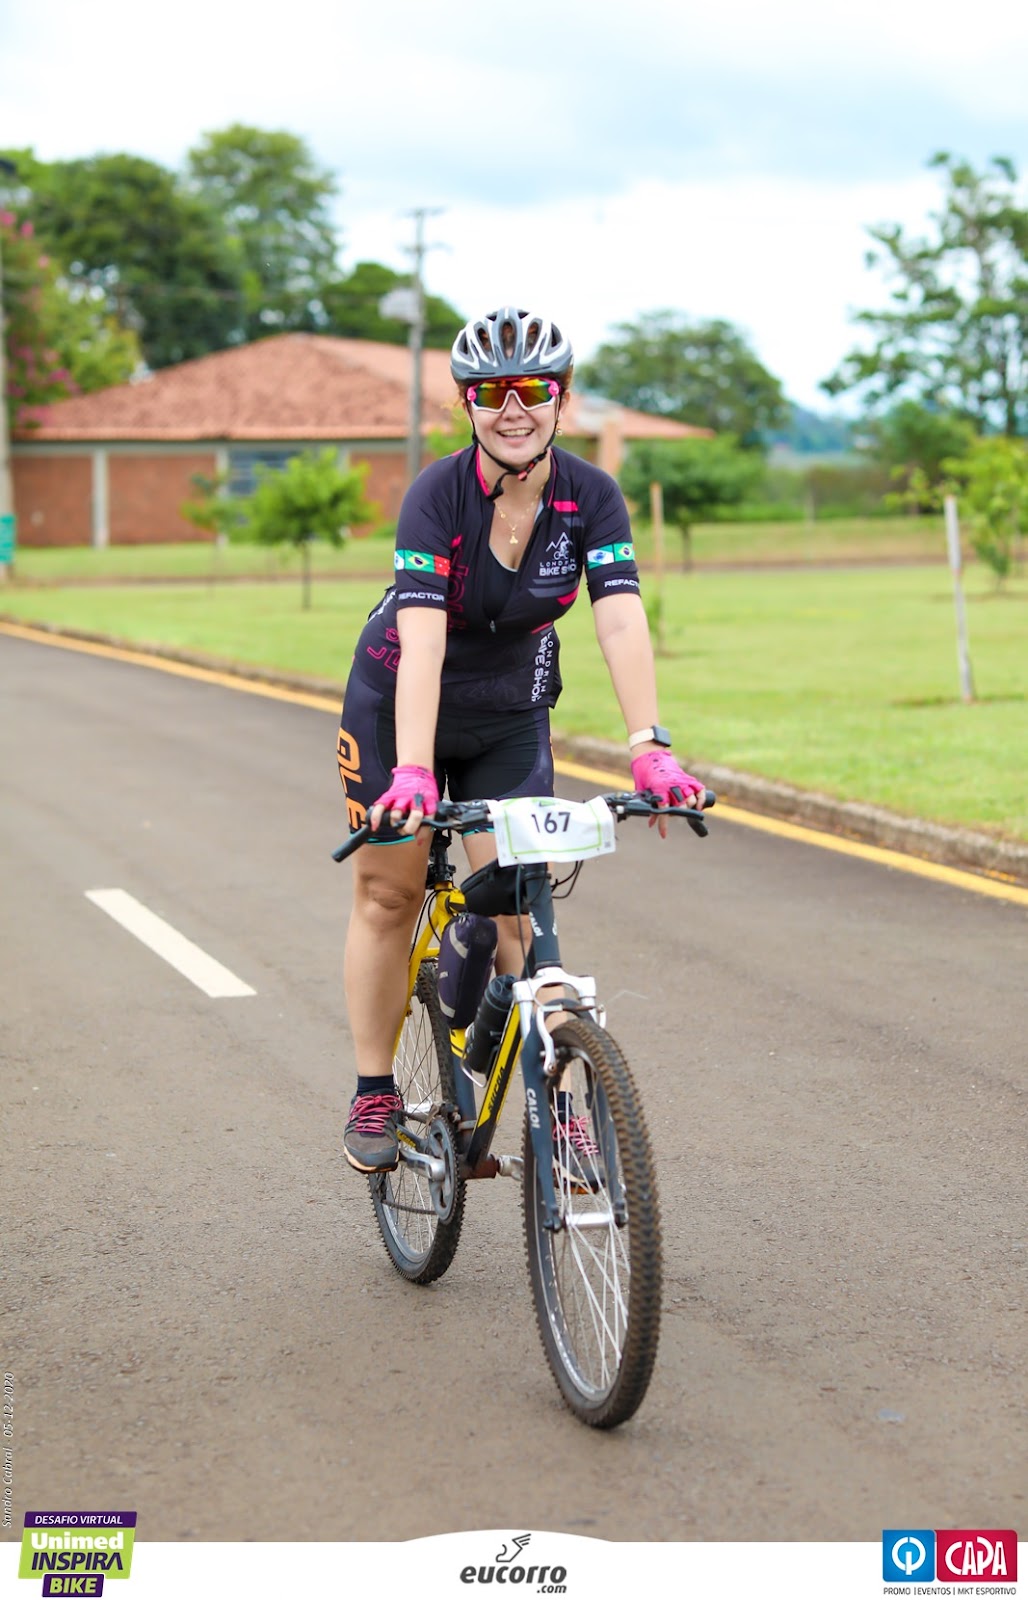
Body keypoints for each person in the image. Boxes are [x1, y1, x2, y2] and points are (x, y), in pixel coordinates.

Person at [336, 305, 705, 1175]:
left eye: (532, 390)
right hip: (399, 704)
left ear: (561, 401)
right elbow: (424, 641)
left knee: (518, 907)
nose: (513, 409)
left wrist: (649, 746)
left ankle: (559, 1101)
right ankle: (374, 1087)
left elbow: (620, 620)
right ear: (466, 403)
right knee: (389, 894)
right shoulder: (437, 496)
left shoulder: (591, 496)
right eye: (491, 391)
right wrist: (415, 770)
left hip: (509, 713)